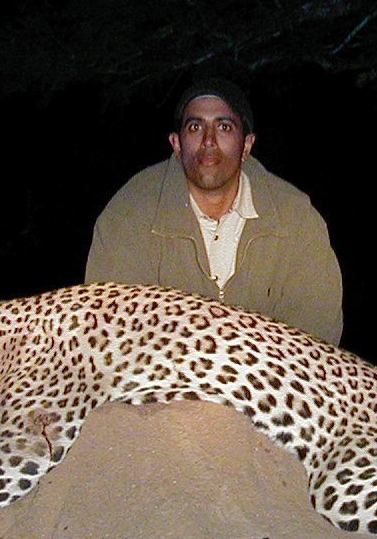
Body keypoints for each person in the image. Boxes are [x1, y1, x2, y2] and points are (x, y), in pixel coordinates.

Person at [84, 78, 344, 344]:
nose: (209, 141)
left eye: (224, 126)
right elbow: (110, 336)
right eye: (195, 127)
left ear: (246, 145)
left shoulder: (296, 218)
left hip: (267, 380)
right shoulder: (129, 214)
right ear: (176, 144)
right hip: (162, 380)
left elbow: (317, 339)